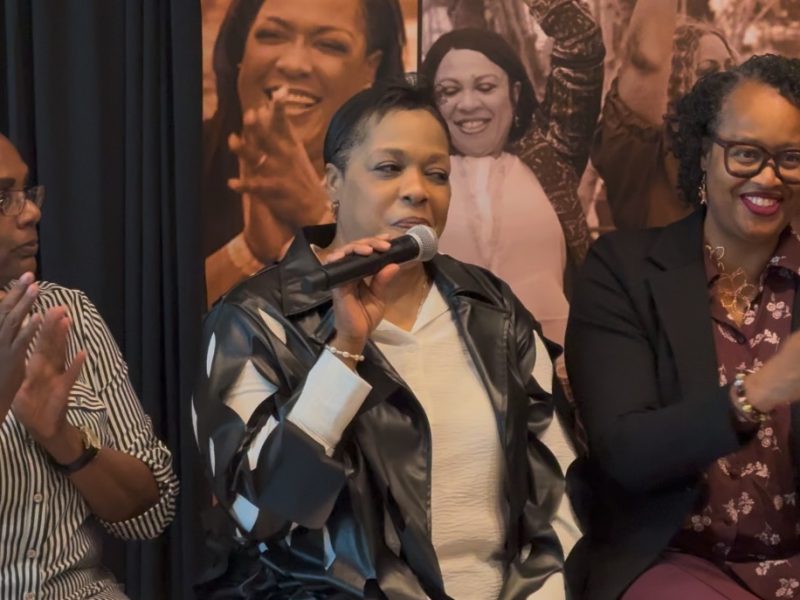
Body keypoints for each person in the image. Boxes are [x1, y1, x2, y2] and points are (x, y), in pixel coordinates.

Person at [194, 81, 579, 599]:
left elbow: (560, 488)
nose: (418, 189)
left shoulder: (492, 309)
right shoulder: (254, 319)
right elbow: (261, 513)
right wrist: (345, 350)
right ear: (333, 183)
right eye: (389, 167)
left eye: (437, 174)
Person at [565, 54, 800, 599]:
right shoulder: (623, 271)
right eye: (745, 154)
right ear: (703, 152)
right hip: (677, 560)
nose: (768, 176)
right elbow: (627, 452)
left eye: (790, 157)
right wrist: (757, 392)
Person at [0, 133, 179, 598]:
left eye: (27, 192)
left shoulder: (67, 312)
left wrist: (63, 439)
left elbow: (152, 511)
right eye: (2, 197)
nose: (32, 211)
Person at [420, 0, 604, 346]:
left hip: (558, 381)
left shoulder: (551, 156)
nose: (468, 103)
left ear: (515, 93)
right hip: (444, 380)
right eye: (449, 91)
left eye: (485, 87)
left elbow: (582, 43)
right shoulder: (414, 176)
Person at [203, 0, 406, 304]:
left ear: (370, 69)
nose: (293, 64)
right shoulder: (178, 158)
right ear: (241, 53)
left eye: (329, 44)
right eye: (271, 35)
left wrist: (317, 220)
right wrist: (249, 251)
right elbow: (144, 323)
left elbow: (407, 322)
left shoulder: (403, 178)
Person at [592, 0, 737, 231]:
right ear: (671, 83)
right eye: (707, 71)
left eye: (730, 68)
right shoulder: (647, 156)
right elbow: (647, 61)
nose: (726, 79)